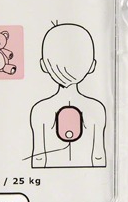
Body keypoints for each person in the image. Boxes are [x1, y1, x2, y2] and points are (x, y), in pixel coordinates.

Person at [29, 23, 106, 168]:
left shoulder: (40, 110)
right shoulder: (97, 108)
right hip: (86, 180)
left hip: (50, 181)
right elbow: (98, 156)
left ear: (43, 65)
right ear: (92, 66)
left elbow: (38, 158)